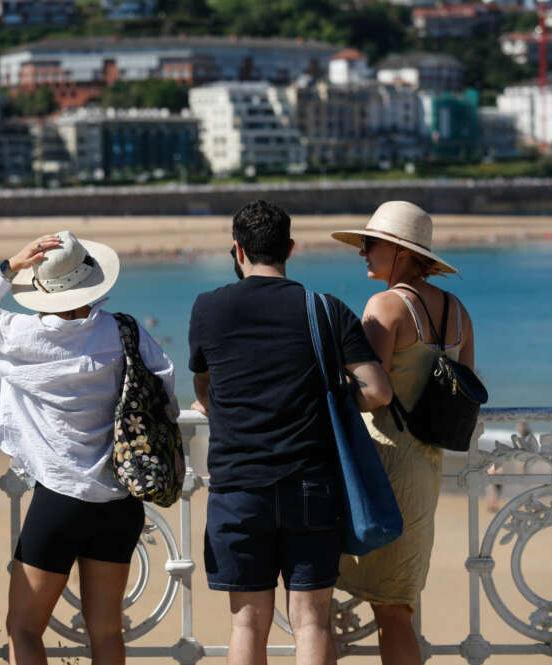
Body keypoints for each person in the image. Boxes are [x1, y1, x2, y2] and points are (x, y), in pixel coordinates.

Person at [188, 200, 392, 665]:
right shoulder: (325, 309)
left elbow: (205, 383)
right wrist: (337, 395)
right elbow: (378, 392)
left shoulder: (209, 308)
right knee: (311, 621)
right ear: (291, 249)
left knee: (246, 623)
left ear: (237, 250)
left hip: (238, 486)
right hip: (310, 485)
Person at [0, 231, 176, 665]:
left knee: (23, 627)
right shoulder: (125, 332)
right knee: (107, 632)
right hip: (120, 498)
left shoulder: (22, 337)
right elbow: (165, 395)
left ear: (43, 289)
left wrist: (11, 266)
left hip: (59, 500)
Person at [331, 200, 476, 665]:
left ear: (401, 252)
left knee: (356, 600)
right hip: (427, 464)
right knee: (398, 605)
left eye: (370, 244)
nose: (363, 253)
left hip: (383, 461)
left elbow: (372, 390)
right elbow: (465, 389)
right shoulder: (458, 311)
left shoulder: (386, 306)